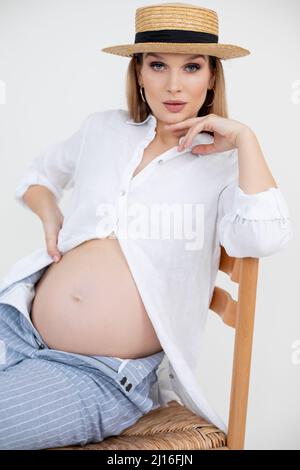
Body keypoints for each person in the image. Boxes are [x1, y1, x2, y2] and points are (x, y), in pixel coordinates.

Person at [0, 2, 293, 450]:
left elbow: (264, 236)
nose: (174, 85)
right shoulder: (103, 130)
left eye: (192, 67)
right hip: (17, 321)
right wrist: (51, 213)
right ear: (138, 72)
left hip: (99, 373)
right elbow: (37, 177)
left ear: (212, 75)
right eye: (158, 65)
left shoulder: (228, 164)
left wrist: (247, 139)